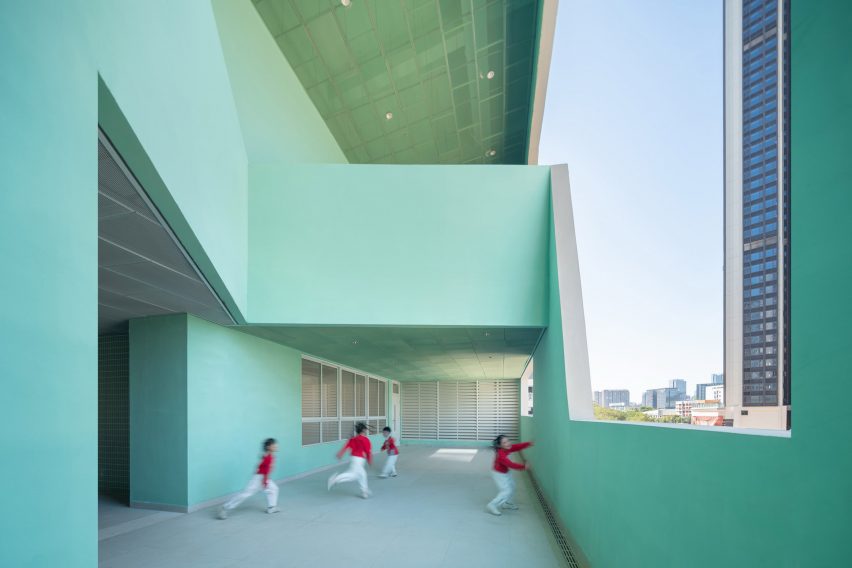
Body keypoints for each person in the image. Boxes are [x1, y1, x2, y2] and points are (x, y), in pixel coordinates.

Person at [218, 438, 279, 519]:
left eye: (276, 444)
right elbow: (265, 471)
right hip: (259, 478)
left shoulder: (269, 456)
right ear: (268, 447)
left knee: (274, 489)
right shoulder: (268, 457)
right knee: (246, 494)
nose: (276, 446)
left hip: (263, 477)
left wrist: (264, 478)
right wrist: (264, 481)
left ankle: (272, 507)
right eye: (274, 445)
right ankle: (225, 507)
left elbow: (260, 467)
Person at [486, 434, 532, 516]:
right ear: (500, 445)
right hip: (499, 474)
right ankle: (492, 505)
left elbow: (515, 447)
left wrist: (527, 444)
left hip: (505, 472)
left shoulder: (507, 448)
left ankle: (507, 503)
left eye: (508, 441)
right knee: (506, 491)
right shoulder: (501, 455)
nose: (508, 443)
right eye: (504, 442)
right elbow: (511, 464)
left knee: (512, 487)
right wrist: (523, 466)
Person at [328, 422, 372, 498]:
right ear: (363, 430)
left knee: (362, 475)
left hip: (354, 459)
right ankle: (335, 479)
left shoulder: (353, 439)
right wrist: (369, 460)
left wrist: (340, 454)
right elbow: (368, 452)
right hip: (359, 460)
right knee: (353, 476)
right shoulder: (365, 440)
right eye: (365, 430)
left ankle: (364, 492)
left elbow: (346, 447)